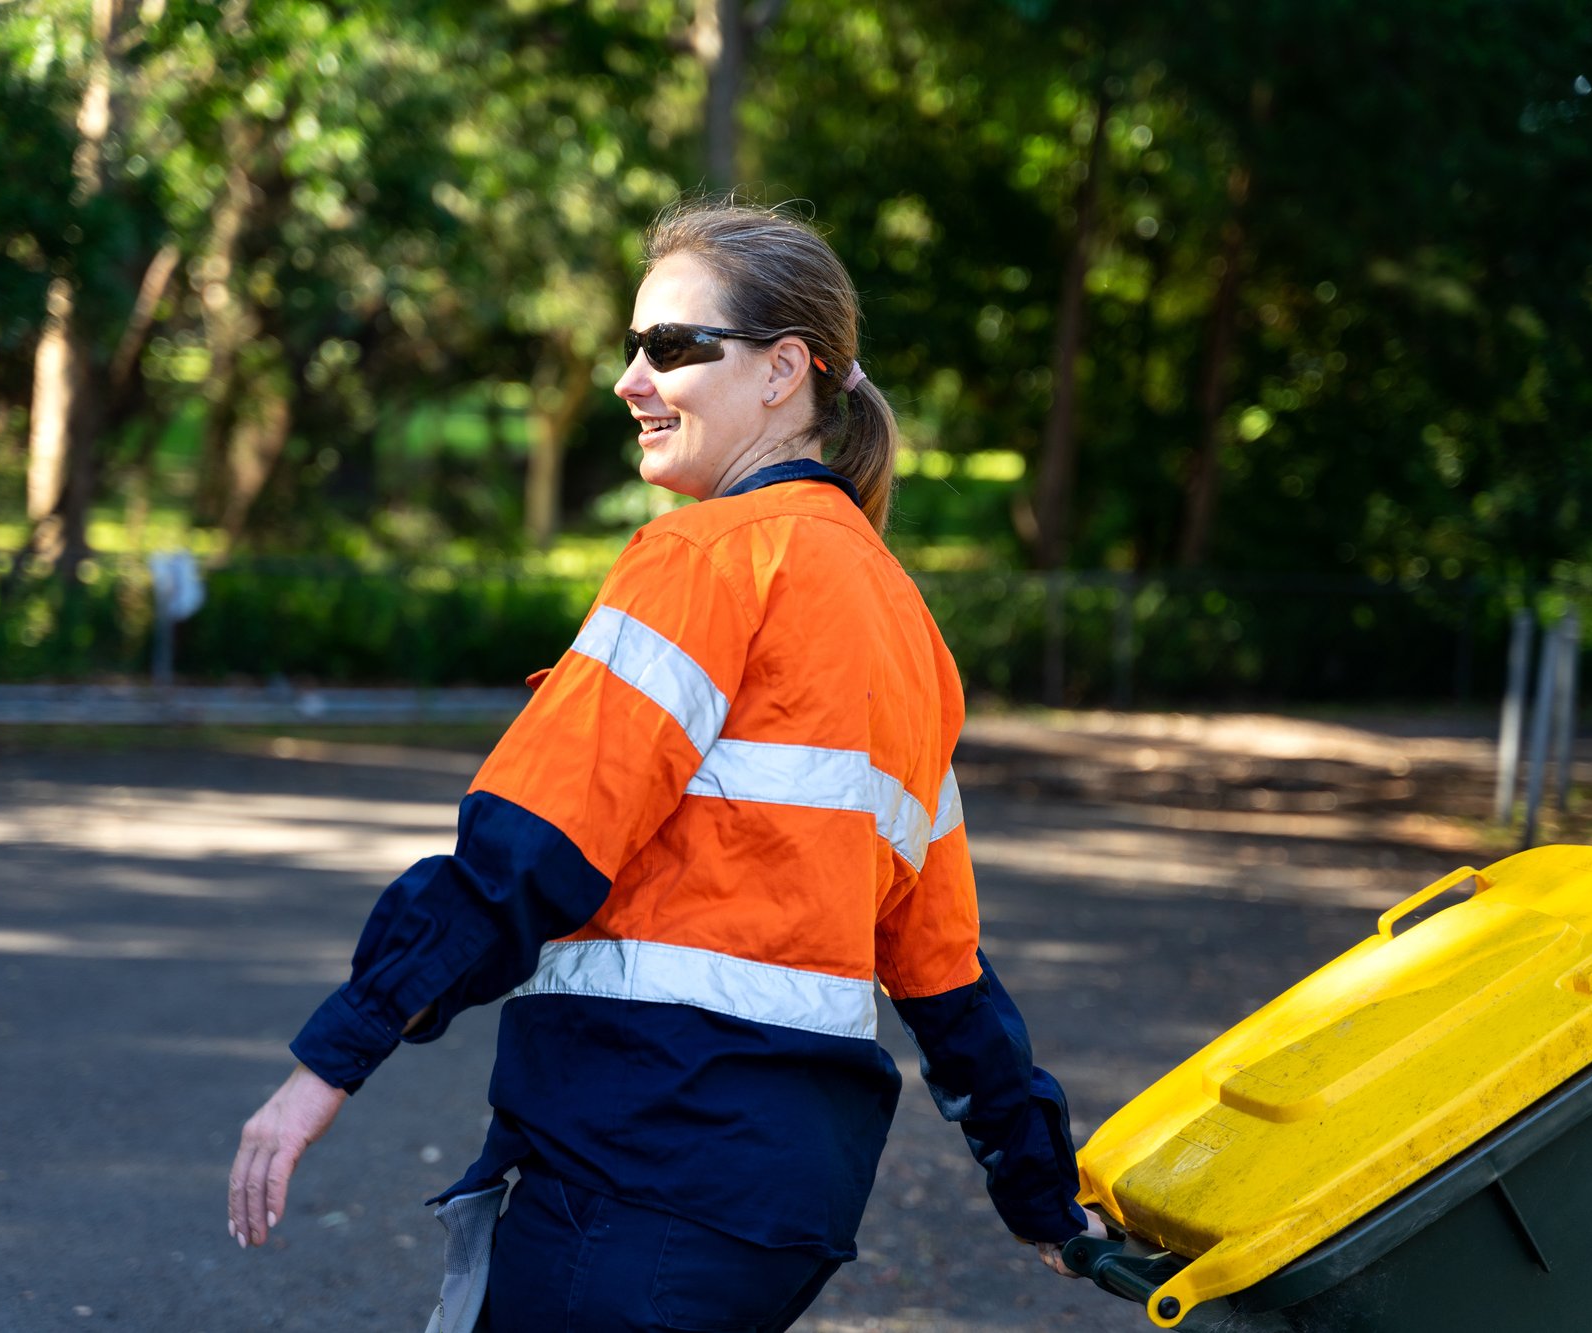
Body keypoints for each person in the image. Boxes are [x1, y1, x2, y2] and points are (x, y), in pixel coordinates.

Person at [226, 201, 1092, 1330]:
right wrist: (1040, 1193)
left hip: (642, 1166)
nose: (632, 378)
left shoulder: (704, 559)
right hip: (778, 1203)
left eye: (674, 346)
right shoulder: (903, 624)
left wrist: (327, 1066)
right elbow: (944, 971)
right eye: (630, 346)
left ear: (786, 369)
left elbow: (528, 851)